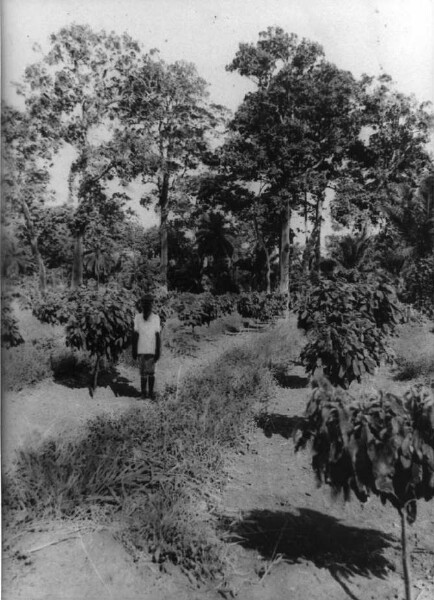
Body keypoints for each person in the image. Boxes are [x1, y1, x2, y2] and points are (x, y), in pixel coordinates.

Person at [132, 294, 161, 399]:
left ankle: (151, 393)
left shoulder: (156, 318)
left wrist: (158, 350)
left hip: (152, 349)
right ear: (141, 305)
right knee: (143, 372)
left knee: (151, 372)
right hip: (141, 349)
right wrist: (134, 350)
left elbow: (157, 335)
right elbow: (135, 334)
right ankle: (143, 393)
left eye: (148, 304)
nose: (146, 306)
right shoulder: (138, 317)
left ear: (152, 305)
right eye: (144, 304)